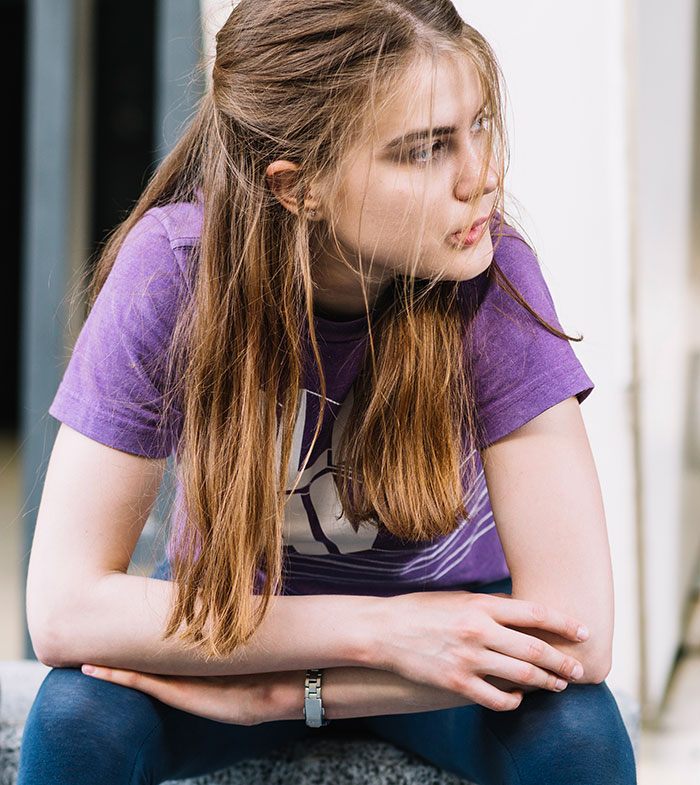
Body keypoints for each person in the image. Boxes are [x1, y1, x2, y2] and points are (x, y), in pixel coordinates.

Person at [17, 1, 637, 783]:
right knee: (78, 718)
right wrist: (362, 643)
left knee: (577, 731)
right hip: (231, 624)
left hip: (456, 624)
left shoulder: (492, 278)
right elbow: (66, 609)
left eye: (479, 126)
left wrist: (287, 693)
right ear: (297, 186)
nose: (483, 177)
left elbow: (579, 640)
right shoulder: (173, 272)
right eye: (424, 151)